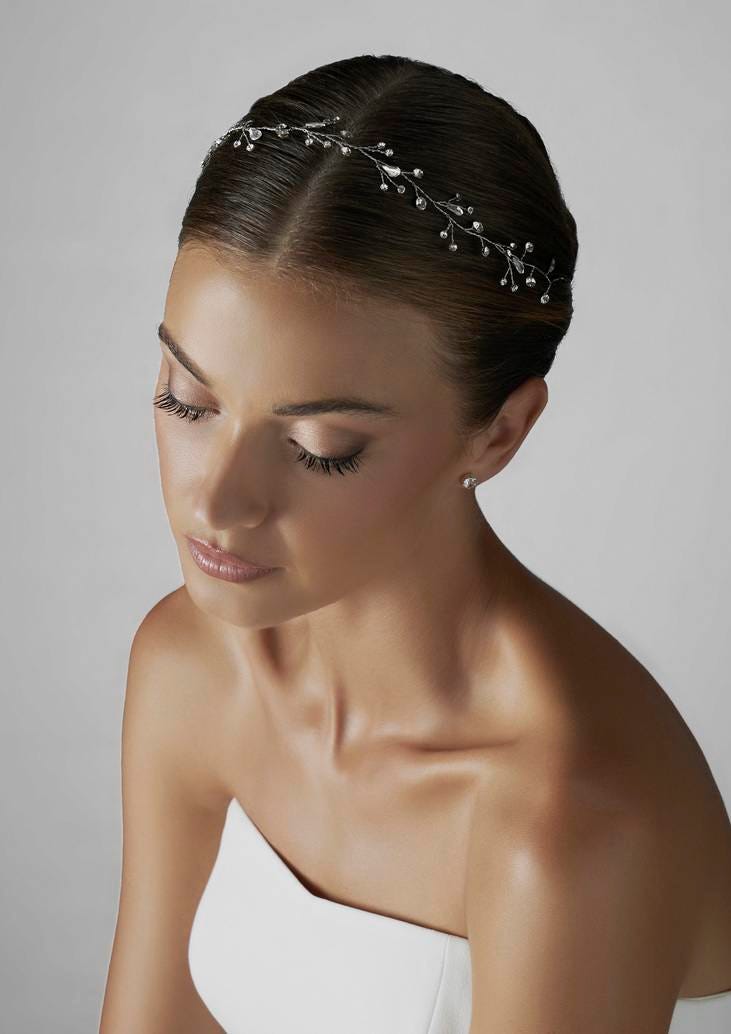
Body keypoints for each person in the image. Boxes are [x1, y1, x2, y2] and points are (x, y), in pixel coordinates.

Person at [99, 53, 731, 1034]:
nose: (215, 501)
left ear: (498, 434)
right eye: (187, 399)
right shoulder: (191, 667)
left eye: (321, 446)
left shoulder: (566, 815)